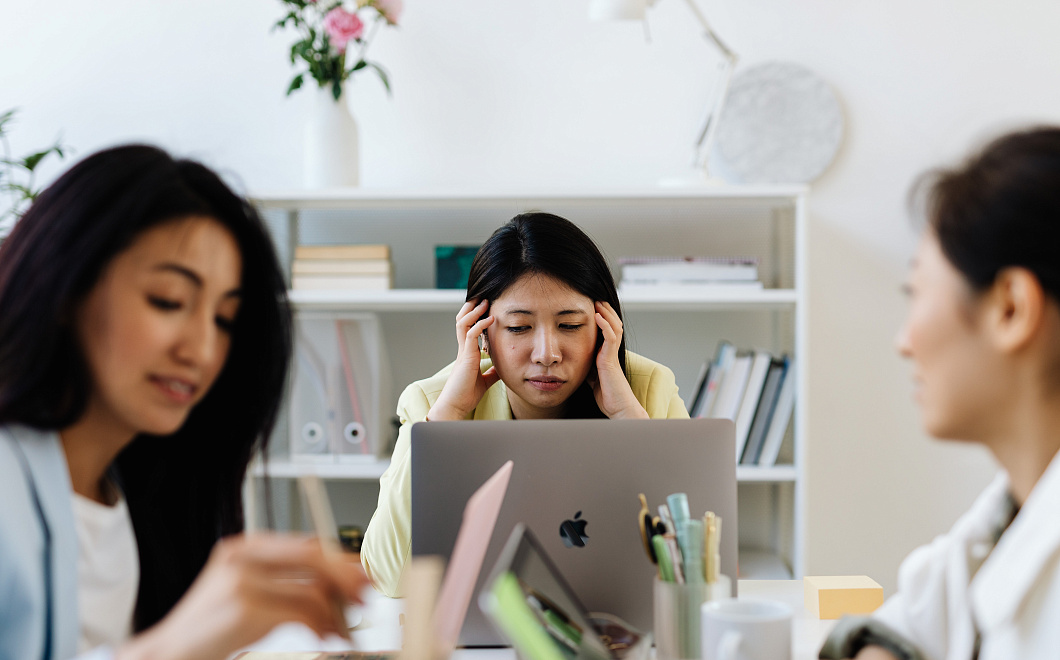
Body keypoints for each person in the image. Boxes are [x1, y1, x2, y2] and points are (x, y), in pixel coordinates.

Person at [0, 145, 367, 660]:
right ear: (65, 286)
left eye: (224, 320)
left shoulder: (140, 497)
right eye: (168, 300)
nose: (201, 350)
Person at [819, 127, 1060, 660]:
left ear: (1011, 309)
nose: (903, 343)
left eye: (917, 293)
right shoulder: (1010, 511)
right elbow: (912, 618)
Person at [361, 212, 690, 596]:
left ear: (604, 327)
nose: (547, 354)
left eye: (569, 325)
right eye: (518, 327)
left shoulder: (648, 390)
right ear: (480, 332)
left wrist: (626, 416)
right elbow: (392, 577)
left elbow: (692, 567)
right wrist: (446, 419)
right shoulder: (432, 404)